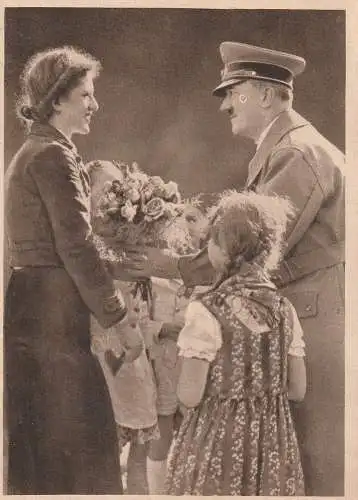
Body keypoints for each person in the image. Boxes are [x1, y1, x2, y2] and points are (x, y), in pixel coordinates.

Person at [128, 42, 345, 496]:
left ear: (265, 95)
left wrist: (156, 263)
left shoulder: (297, 154)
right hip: (301, 319)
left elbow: (251, 250)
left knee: (313, 466)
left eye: (232, 91)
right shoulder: (289, 148)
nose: (225, 103)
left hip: (310, 323)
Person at [4, 46, 143, 494]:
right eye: (85, 94)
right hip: (51, 309)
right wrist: (119, 317)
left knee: (46, 443)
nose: (94, 104)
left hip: (34, 302)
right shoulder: (52, 156)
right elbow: (77, 247)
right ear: (57, 98)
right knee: (77, 442)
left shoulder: (38, 150)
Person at [165, 190, 306, 495]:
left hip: (218, 443)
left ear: (225, 248)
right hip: (272, 450)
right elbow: (297, 389)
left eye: (212, 240)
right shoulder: (285, 310)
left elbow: (189, 395)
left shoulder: (207, 310)